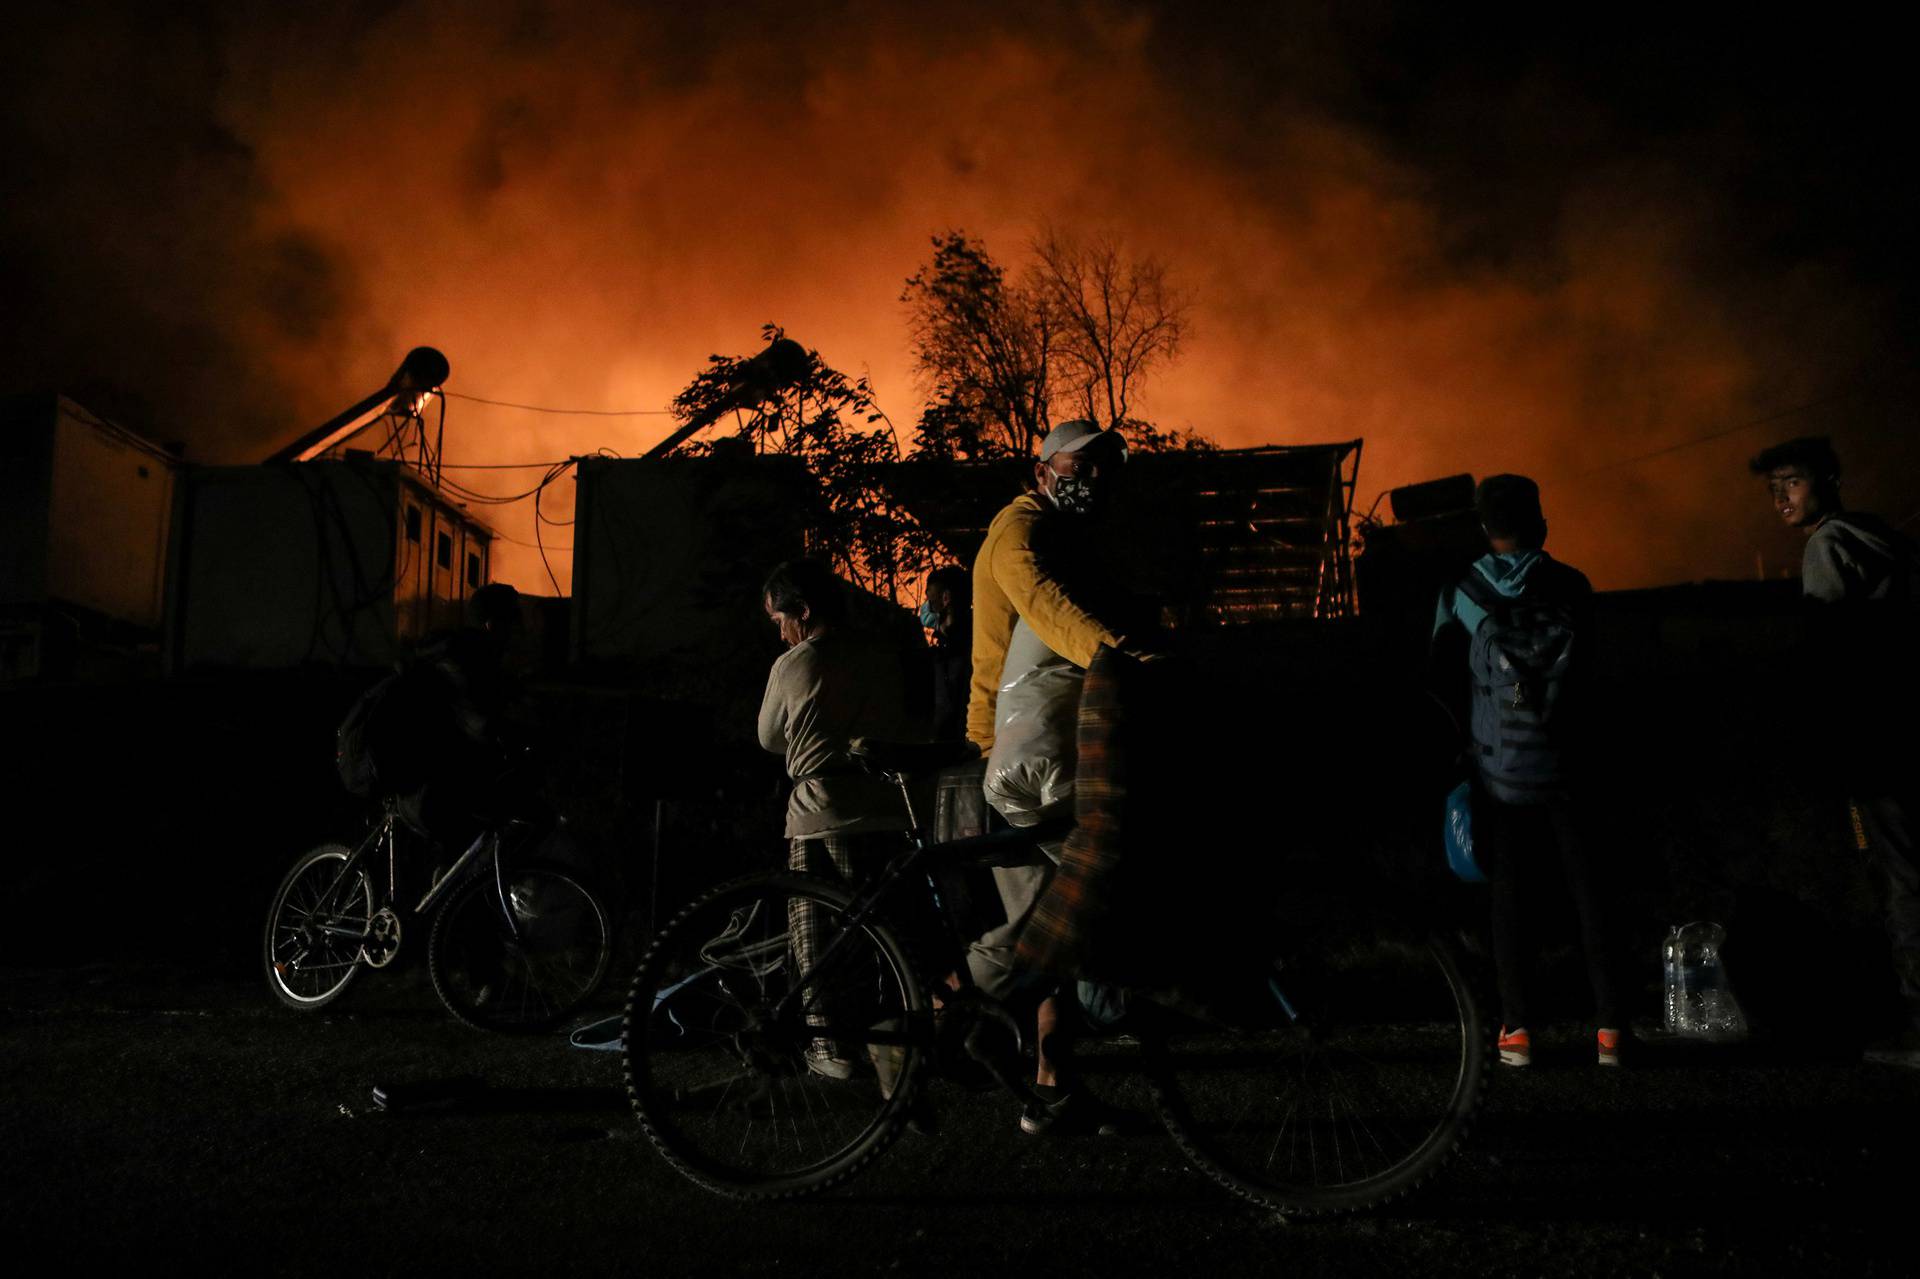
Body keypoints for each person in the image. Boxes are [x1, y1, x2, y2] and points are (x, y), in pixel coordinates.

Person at [967, 418, 1139, 1134]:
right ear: (1042, 469)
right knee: (1053, 918)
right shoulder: (1019, 532)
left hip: (1037, 746)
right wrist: (1121, 654)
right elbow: (1047, 608)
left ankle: (1053, 1086)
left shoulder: (1068, 534)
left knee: (1051, 926)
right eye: (1080, 465)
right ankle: (946, 1005)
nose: (1094, 479)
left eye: (1105, 468)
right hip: (1012, 754)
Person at [1432, 475, 1623, 1068]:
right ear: (1541, 522)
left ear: (1484, 526)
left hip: (1500, 770)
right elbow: (1596, 670)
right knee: (1591, 891)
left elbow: (1439, 676)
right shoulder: (1571, 585)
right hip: (1572, 763)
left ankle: (1517, 1031)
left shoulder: (1461, 589)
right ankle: (1611, 1032)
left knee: (1507, 895)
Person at [1750, 436, 1920, 1065]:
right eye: (1772, 489)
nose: (1779, 499)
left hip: (1877, 743)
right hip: (1907, 725)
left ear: (1827, 477)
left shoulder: (1828, 546)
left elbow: (1830, 652)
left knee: (1902, 879)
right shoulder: (1885, 538)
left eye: (1790, 482)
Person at [756, 558, 917, 1079]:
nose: (782, 635)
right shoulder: (880, 654)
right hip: (887, 807)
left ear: (802, 611)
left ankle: (829, 1045)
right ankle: (892, 1035)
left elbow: (769, 737)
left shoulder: (795, 663)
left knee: (812, 931)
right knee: (884, 932)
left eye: (782, 622)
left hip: (820, 810)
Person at [921, 565, 973, 742]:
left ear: (946, 598)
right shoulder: (944, 650)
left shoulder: (962, 651)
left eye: (931, 599)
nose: (928, 606)